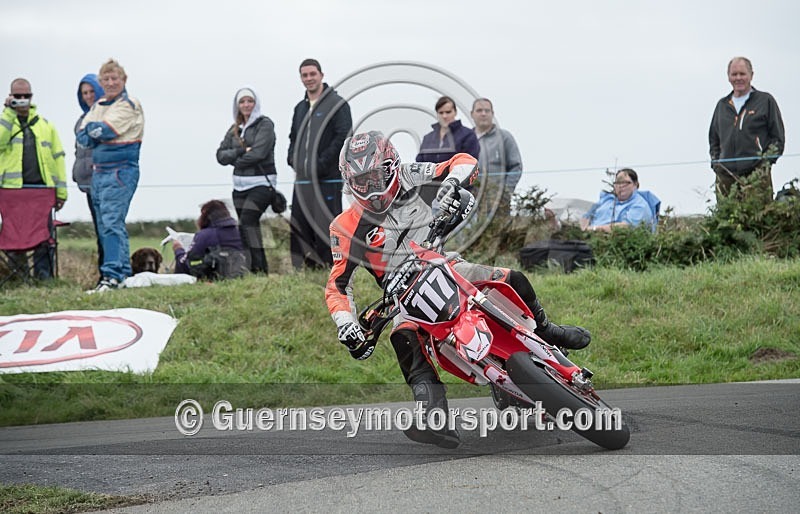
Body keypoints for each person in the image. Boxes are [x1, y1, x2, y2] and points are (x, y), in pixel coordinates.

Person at [326, 131, 590, 449]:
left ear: (391, 164)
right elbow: (338, 284)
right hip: (402, 297)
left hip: (443, 264)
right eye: (360, 181)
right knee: (403, 337)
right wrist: (345, 322)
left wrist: (453, 181)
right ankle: (433, 415)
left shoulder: (412, 174)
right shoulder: (343, 226)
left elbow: (463, 161)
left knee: (508, 277)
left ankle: (548, 331)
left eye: (374, 176)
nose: (369, 187)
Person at [77, 58, 144, 293]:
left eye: (114, 78)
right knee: (106, 224)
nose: (110, 82)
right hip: (99, 172)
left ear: (124, 80)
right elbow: (82, 135)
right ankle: (122, 274)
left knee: (112, 222)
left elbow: (106, 129)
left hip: (120, 169)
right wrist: (94, 131)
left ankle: (112, 276)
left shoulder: (129, 104)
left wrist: (94, 131)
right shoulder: (99, 105)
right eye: (105, 79)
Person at [287, 58, 352, 270]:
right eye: (304, 75)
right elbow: (294, 137)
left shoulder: (337, 104)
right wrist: (293, 160)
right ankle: (303, 269)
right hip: (303, 179)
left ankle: (331, 268)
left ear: (321, 75)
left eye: (312, 74)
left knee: (326, 224)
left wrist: (321, 163)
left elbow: (343, 136)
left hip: (328, 177)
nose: (309, 79)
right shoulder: (299, 108)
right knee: (299, 224)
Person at [0, 77, 67, 280]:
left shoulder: (46, 126)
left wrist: (61, 192)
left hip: (41, 192)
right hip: (11, 193)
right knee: (15, 237)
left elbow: (59, 159)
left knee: (43, 237)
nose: (22, 100)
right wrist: (8, 113)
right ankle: (18, 279)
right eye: (17, 96)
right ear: (11, 96)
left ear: (32, 97)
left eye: (25, 96)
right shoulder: (4, 123)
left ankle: (44, 279)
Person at [216, 86, 276, 275]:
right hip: (239, 186)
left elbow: (259, 153)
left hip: (261, 184)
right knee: (245, 228)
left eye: (250, 101)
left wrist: (234, 159)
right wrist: (242, 151)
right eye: (242, 101)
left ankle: (260, 270)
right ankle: (251, 269)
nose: (246, 104)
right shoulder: (234, 129)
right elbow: (219, 155)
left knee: (248, 222)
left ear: (255, 103)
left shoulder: (265, 124)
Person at [708, 56, 785, 204]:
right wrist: (717, 164)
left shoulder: (765, 101)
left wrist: (765, 164)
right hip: (726, 177)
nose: (738, 78)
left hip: (756, 176)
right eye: (734, 74)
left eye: (742, 74)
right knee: (727, 222)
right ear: (728, 77)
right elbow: (713, 139)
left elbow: (778, 138)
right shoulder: (722, 106)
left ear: (751, 75)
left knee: (758, 221)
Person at [72, 73, 105, 280]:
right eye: (84, 93)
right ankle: (104, 272)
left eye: (92, 91)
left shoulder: (106, 116)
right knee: (98, 229)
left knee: (107, 229)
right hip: (87, 184)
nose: (89, 96)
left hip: (104, 181)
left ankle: (110, 273)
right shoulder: (80, 121)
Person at [470, 97, 523, 216]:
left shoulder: (504, 137)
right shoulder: (466, 140)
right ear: (472, 114)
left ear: (492, 114)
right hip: (471, 203)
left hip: (498, 205)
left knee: (498, 234)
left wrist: (505, 194)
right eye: (479, 110)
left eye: (487, 111)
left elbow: (516, 167)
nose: (483, 114)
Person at [172, 199, 247, 279]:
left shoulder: (204, 235)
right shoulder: (241, 233)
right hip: (240, 274)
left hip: (214, 277)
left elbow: (185, 264)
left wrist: (178, 250)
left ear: (205, 216)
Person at [580, 168, 657, 233]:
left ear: (635, 185)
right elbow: (587, 215)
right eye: (618, 183)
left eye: (626, 183)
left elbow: (626, 227)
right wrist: (583, 229)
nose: (621, 186)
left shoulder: (640, 205)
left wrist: (595, 229)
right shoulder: (607, 200)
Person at [416, 96, 480, 163]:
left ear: (455, 112)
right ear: (437, 114)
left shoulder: (468, 135)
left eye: (448, 112)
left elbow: (470, 163)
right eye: (441, 112)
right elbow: (420, 163)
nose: (444, 116)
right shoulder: (428, 138)